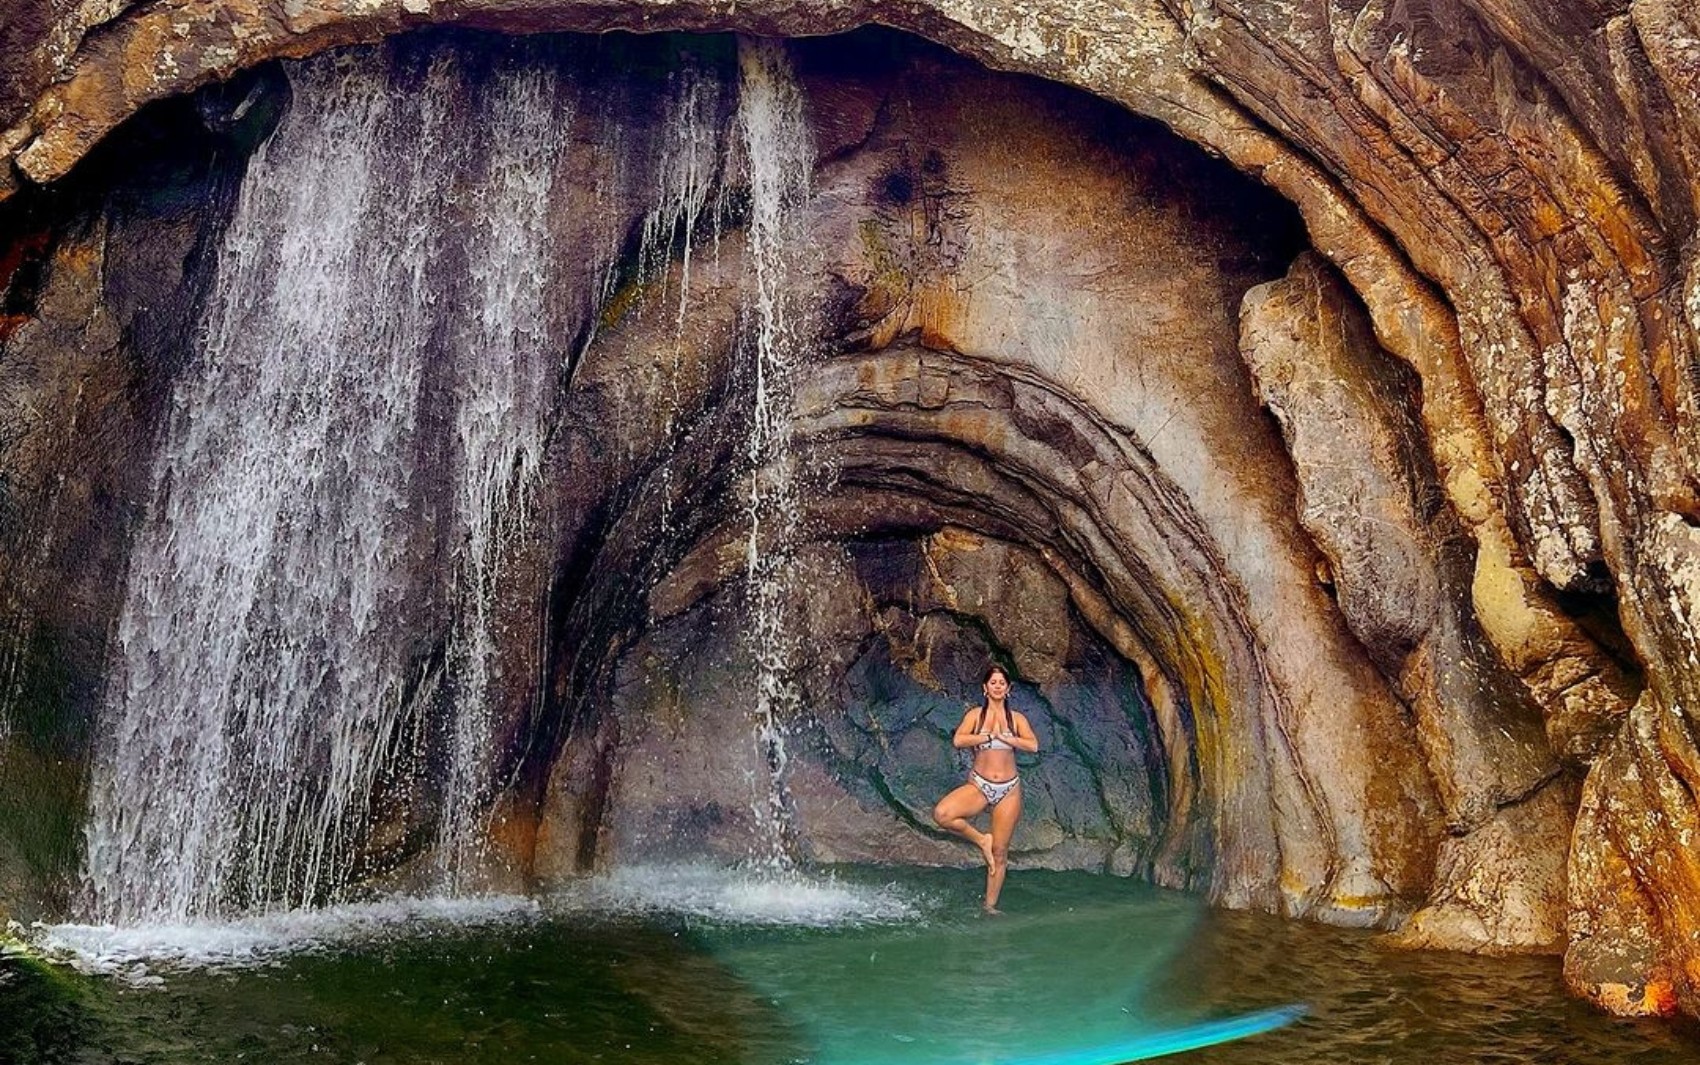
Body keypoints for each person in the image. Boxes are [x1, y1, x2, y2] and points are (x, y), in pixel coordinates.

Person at [932, 665, 1039, 913]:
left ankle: (989, 907)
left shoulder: (1017, 719)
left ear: (1008, 689)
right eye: (993, 682)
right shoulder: (975, 715)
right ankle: (982, 840)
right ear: (985, 688)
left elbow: (1033, 745)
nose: (998, 686)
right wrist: (988, 737)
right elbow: (959, 740)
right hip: (980, 785)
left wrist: (1011, 739)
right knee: (943, 814)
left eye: (1002, 683)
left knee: (1000, 852)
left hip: (1008, 790)